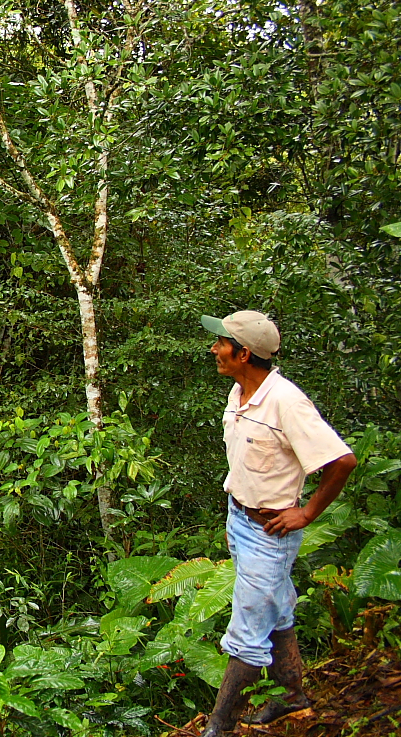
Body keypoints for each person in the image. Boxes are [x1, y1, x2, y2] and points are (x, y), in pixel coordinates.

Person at [198, 310, 357, 737]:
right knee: (278, 609)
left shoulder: (286, 401)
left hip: (271, 533)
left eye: (222, 343)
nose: (214, 349)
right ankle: (293, 696)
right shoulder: (240, 392)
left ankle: (219, 727)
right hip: (241, 520)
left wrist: (305, 513)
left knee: (248, 631)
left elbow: (341, 461)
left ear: (244, 353)